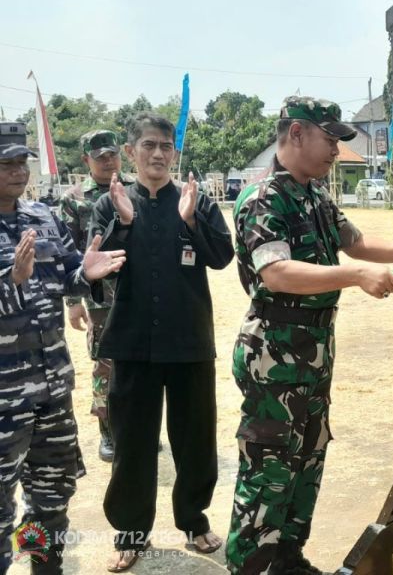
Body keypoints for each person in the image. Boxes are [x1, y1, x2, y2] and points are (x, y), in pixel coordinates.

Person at [226, 96, 393, 575]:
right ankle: (252, 566)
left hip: (313, 352)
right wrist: (355, 276)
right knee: (270, 467)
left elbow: (355, 241)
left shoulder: (314, 194)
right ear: (296, 132)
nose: (337, 151)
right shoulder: (264, 198)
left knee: (307, 459)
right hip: (273, 352)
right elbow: (276, 273)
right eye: (330, 139)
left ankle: (288, 558)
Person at [90, 113, 234, 572]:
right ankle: (131, 532)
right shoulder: (111, 203)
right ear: (130, 153)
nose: (157, 154)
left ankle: (193, 519)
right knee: (133, 441)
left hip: (189, 341)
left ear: (174, 153)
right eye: (148, 145)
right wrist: (126, 225)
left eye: (165, 147)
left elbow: (222, 256)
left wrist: (191, 221)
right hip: (132, 343)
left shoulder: (195, 200)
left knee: (195, 438)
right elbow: (96, 265)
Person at [0, 122, 126, 574]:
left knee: (50, 499)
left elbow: (67, 273)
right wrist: (10, 285)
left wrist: (86, 274)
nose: (18, 172)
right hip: (3, 402)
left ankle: (43, 566)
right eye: (6, 163)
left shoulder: (43, 217)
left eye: (22, 162)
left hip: (52, 392)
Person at [60, 129, 132, 462]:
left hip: (138, 294)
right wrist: (73, 302)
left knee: (141, 365)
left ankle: (136, 429)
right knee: (106, 365)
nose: (108, 161)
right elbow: (67, 253)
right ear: (86, 159)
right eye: (100, 156)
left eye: (112, 155)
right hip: (100, 297)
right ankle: (108, 433)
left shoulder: (138, 189)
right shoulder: (74, 198)